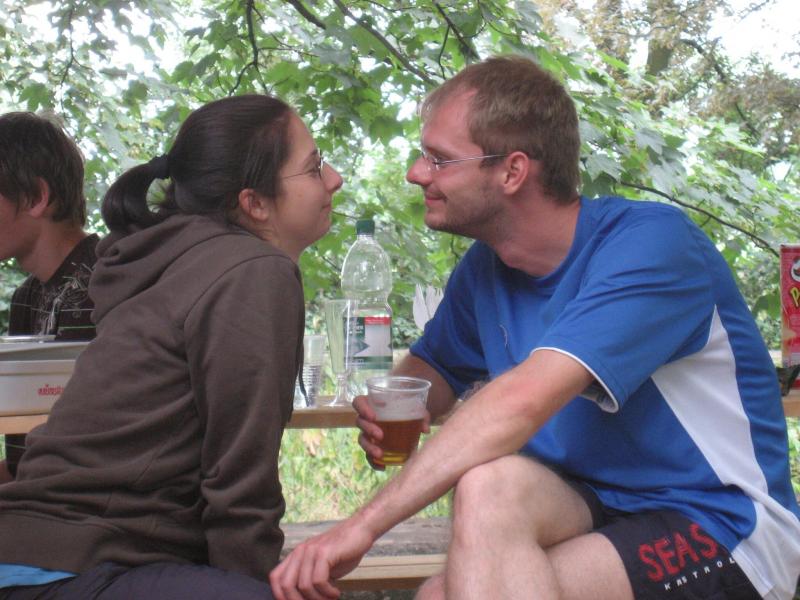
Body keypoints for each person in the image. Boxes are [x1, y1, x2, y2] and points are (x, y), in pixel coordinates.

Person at [270, 55, 800, 600]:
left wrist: (361, 527)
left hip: (721, 522)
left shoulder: (651, 246)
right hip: (594, 503)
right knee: (489, 489)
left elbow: (521, 402)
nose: (416, 173)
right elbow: (435, 371)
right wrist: (392, 410)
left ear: (513, 172)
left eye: (439, 159)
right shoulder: (487, 268)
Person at [0, 94, 343, 599]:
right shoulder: (252, 271)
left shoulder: (178, 258)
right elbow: (240, 479)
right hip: (74, 564)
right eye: (314, 168)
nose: (334, 178)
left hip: (41, 548)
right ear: (254, 203)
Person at [0, 111, 99, 484]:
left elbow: (83, 466)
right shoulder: (28, 295)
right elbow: (23, 468)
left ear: (37, 197)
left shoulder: (101, 287)